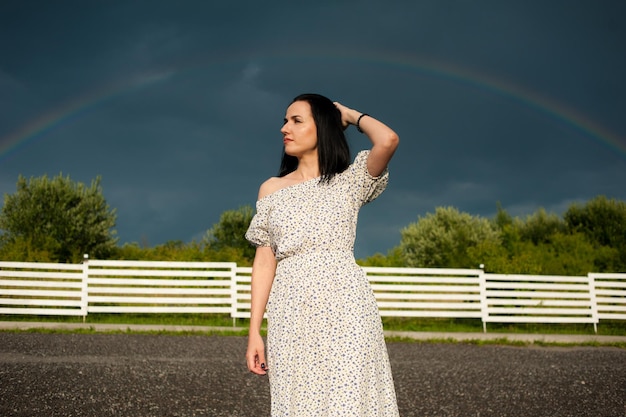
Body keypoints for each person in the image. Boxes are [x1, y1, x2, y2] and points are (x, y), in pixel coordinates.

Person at [245, 93, 400, 416]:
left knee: (350, 397)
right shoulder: (271, 189)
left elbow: (387, 140)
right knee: (299, 398)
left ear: (324, 128)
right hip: (291, 308)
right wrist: (254, 332)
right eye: (285, 120)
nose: (284, 128)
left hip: (346, 306)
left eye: (296, 120)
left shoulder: (350, 181)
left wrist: (348, 114)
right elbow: (263, 262)